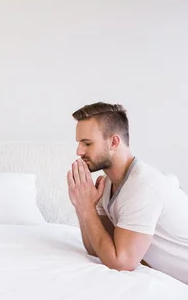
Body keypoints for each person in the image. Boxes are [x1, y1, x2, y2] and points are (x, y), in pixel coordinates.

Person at [67, 102, 188, 284]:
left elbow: (120, 262)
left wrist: (86, 209)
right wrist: (83, 204)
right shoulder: (107, 185)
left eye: (87, 143)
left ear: (114, 142)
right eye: (79, 143)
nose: (79, 151)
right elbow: (97, 248)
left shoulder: (142, 187)